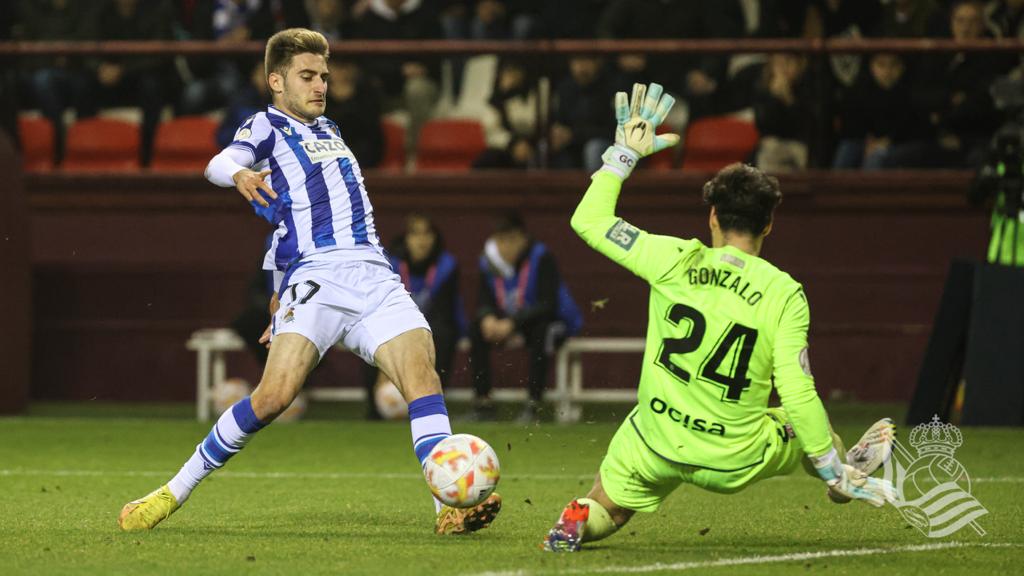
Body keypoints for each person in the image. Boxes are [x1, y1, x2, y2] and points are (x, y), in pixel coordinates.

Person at [117, 28, 500, 536]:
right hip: (318, 278)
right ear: (276, 81)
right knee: (273, 397)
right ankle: (173, 490)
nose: (320, 85)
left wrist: (276, 284)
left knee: (422, 378)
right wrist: (238, 175)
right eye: (307, 76)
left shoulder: (332, 130)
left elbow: (288, 220)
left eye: (324, 76)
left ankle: (447, 509)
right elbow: (219, 161)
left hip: (374, 274)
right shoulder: (266, 125)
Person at [541, 83, 897, 552]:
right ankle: (836, 475)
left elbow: (588, 220)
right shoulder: (783, 293)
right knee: (802, 420)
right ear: (769, 224)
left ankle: (579, 519)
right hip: (734, 456)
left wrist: (623, 154)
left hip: (657, 438)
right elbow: (797, 388)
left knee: (611, 504)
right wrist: (827, 463)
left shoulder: (671, 258)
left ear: (712, 216)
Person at [468, 212, 582, 423]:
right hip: (511, 322)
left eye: (511, 240)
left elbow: (548, 304)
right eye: (501, 241)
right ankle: (483, 403)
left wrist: (512, 323)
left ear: (523, 238)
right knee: (476, 329)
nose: (506, 247)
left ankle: (533, 404)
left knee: (543, 330)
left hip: (551, 322)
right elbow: (483, 299)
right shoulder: (489, 262)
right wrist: (487, 317)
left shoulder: (541, 257)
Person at [364, 213, 466, 419]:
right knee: (368, 336)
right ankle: (374, 407)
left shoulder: (446, 266)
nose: (421, 240)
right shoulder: (389, 266)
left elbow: (445, 312)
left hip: (433, 327)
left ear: (434, 238)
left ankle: (433, 406)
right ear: (407, 239)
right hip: (393, 325)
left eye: (426, 234)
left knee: (443, 335)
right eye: (415, 234)